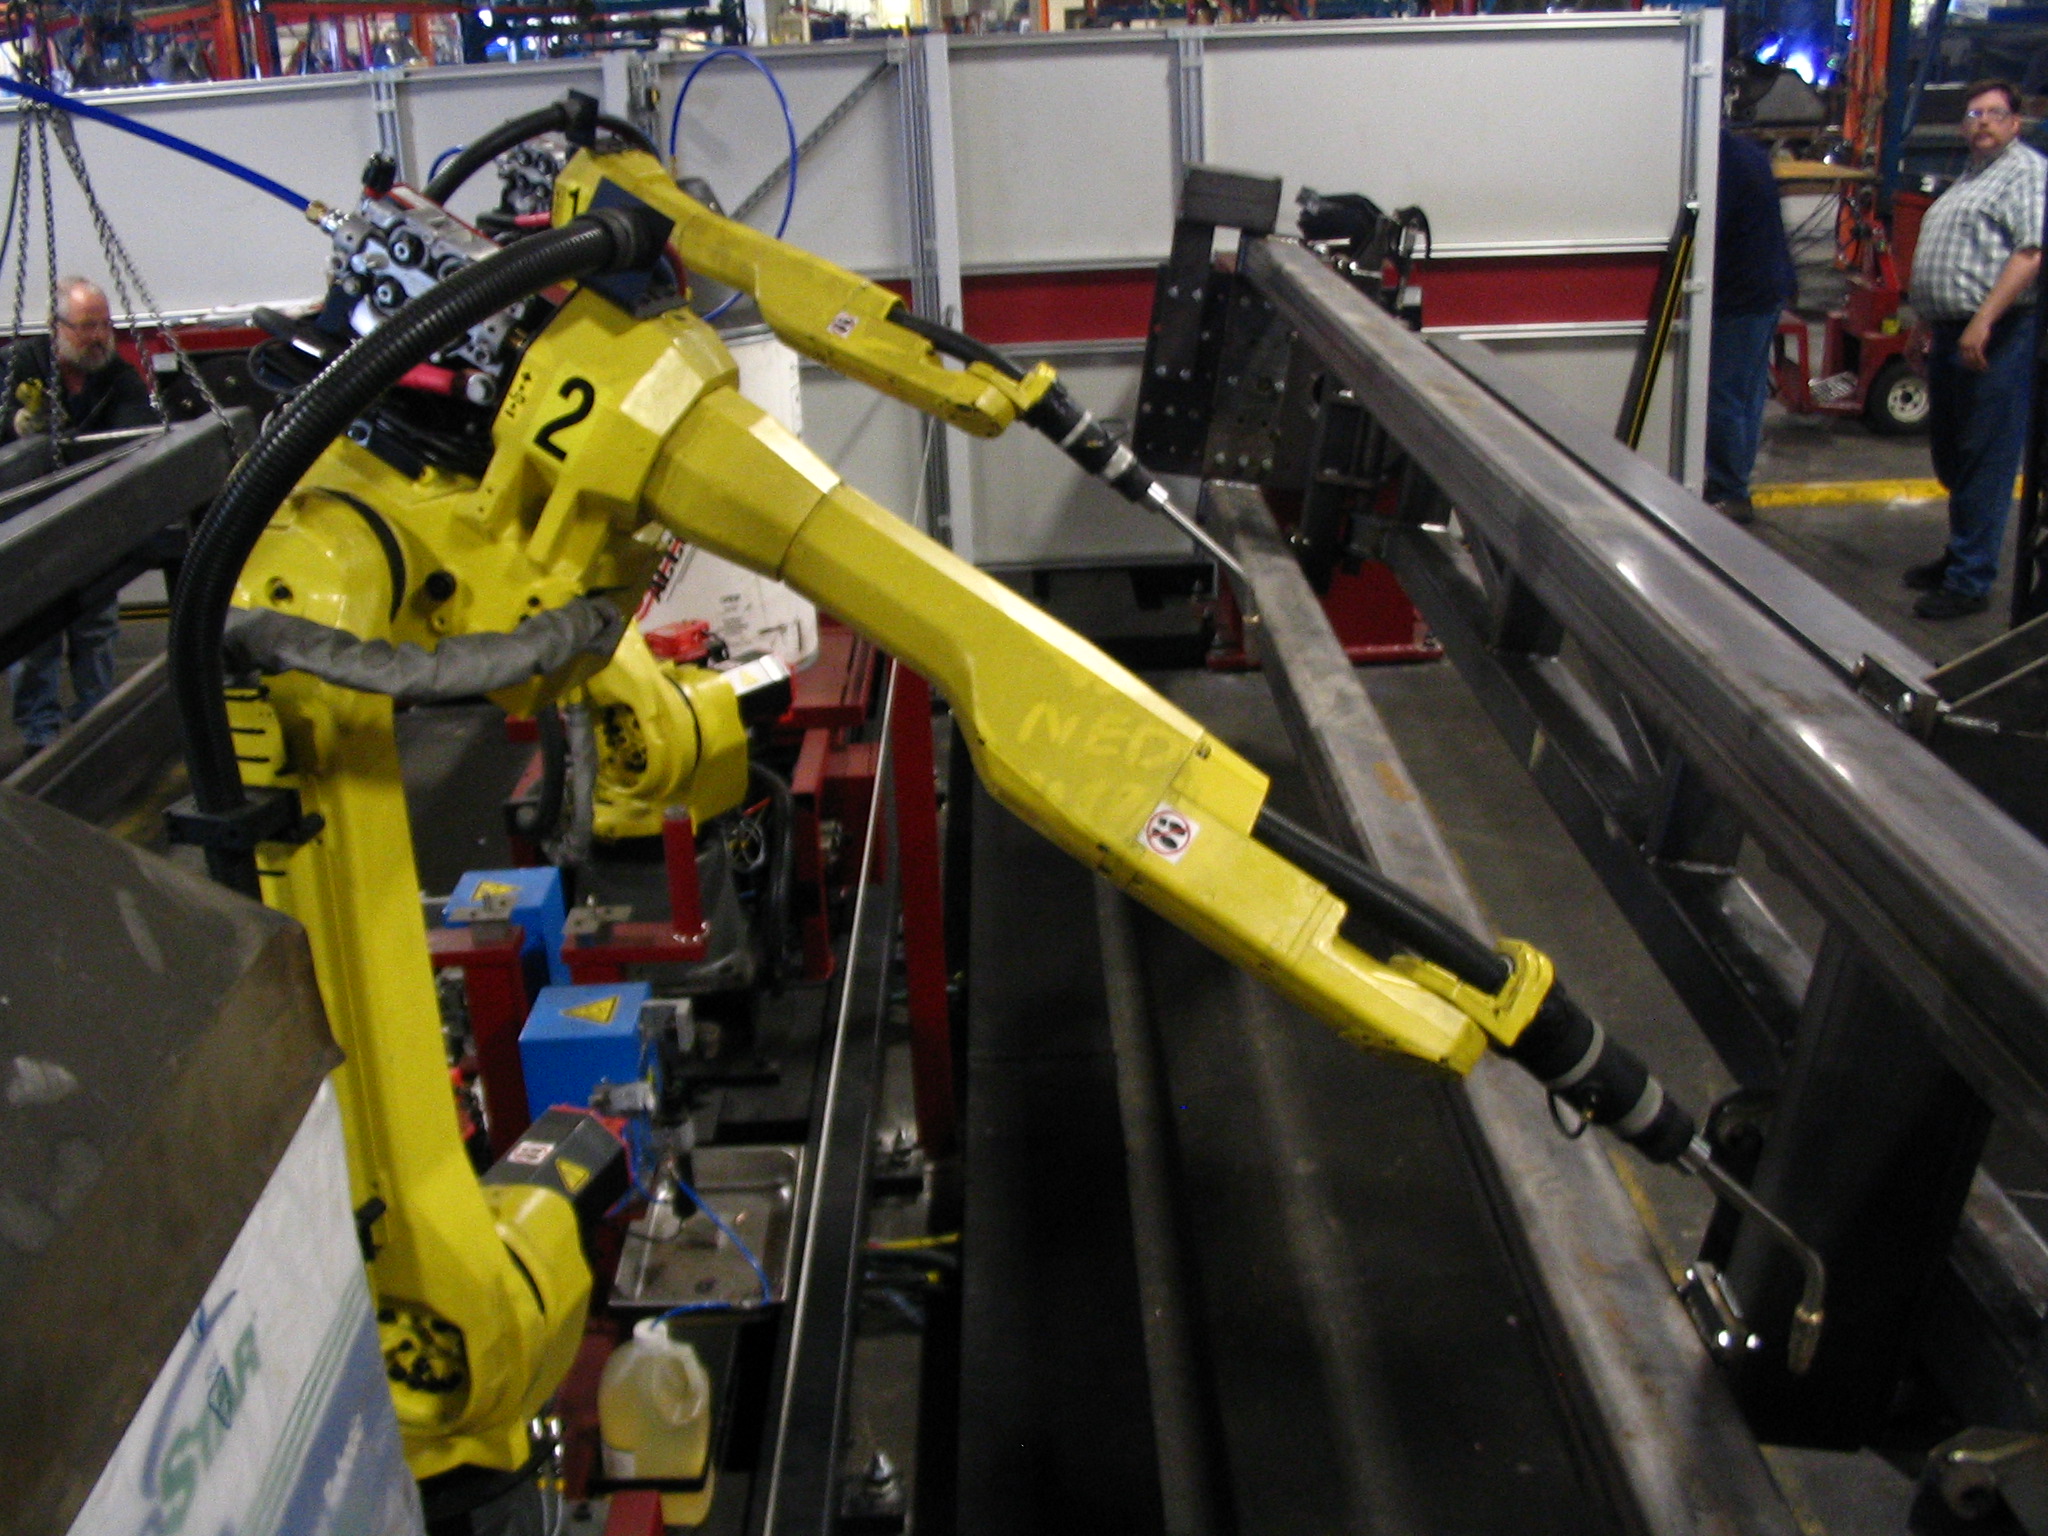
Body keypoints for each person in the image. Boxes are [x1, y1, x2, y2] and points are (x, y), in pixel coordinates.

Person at [1905, 79, 2048, 619]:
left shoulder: (2026, 172)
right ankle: (1960, 554)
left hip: (1998, 334)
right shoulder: (1971, 175)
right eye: (1973, 114)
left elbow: (2030, 254)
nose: (1982, 122)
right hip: (1949, 330)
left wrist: (1983, 321)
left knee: (1985, 456)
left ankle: (1970, 580)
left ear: (2015, 123)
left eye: (1994, 113)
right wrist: (1923, 323)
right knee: (1954, 455)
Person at [4, 276, 157, 755]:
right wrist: (16, 425)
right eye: (86, 326)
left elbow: (138, 430)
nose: (98, 336)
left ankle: (97, 722)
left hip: (91, 523)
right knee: (36, 638)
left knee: (96, 625)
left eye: (104, 325)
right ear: (56, 327)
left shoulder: (117, 376)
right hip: (31, 521)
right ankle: (39, 732)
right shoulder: (18, 366)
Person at [1706, 126, 1797, 525]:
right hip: (1762, 287)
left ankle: (1730, 491)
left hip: (1743, 292)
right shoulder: (1742, 151)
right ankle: (1732, 481)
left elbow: (1709, 227)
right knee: (1744, 392)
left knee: (1725, 394)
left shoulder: (1720, 159)